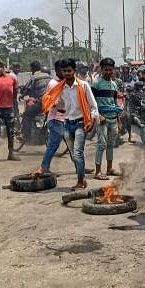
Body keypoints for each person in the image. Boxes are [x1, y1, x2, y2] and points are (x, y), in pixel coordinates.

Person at [41, 58, 99, 190]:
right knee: (73, 153)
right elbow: (60, 105)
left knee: (77, 152)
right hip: (67, 123)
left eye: (69, 70)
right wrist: (54, 105)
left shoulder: (83, 85)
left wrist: (93, 120)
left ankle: (80, 180)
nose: (67, 73)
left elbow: (93, 105)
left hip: (80, 123)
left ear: (74, 71)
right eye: (64, 71)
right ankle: (82, 178)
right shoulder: (60, 88)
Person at [33, 60, 67, 175]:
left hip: (64, 117)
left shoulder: (65, 82)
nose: (66, 72)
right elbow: (51, 102)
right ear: (57, 70)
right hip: (57, 118)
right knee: (53, 145)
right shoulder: (53, 84)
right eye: (63, 70)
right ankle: (44, 167)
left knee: (72, 145)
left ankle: (80, 168)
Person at [92, 58, 123, 180]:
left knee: (110, 144)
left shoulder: (114, 85)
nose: (108, 72)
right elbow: (92, 102)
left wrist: (118, 119)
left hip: (112, 118)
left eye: (111, 70)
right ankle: (98, 171)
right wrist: (98, 115)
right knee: (101, 144)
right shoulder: (96, 83)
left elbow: (115, 102)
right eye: (106, 69)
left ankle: (109, 168)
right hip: (102, 118)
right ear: (101, 69)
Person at [20, 61, 52, 141]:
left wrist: (22, 95)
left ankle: (26, 135)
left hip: (41, 103)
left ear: (32, 68)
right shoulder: (48, 76)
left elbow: (27, 89)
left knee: (27, 114)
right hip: (51, 102)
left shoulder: (34, 77)